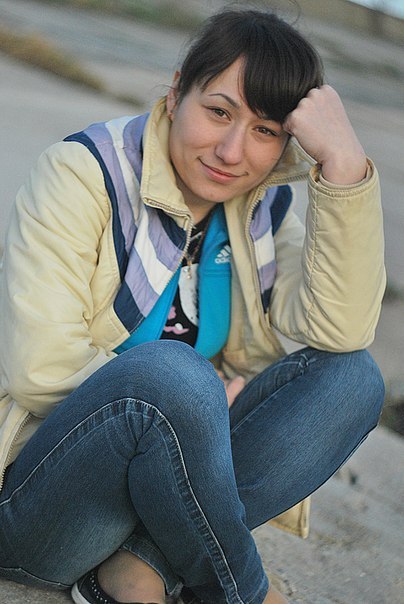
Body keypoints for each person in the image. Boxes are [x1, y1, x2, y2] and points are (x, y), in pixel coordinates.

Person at [0, 7, 385, 604]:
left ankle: (139, 569)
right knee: (175, 374)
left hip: (169, 502)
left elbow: (343, 328)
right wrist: (187, 415)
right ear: (178, 92)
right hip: (47, 504)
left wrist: (344, 166)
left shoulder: (261, 211)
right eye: (219, 112)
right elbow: (39, 366)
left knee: (351, 378)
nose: (232, 151)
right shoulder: (84, 173)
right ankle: (241, 590)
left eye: (265, 130)